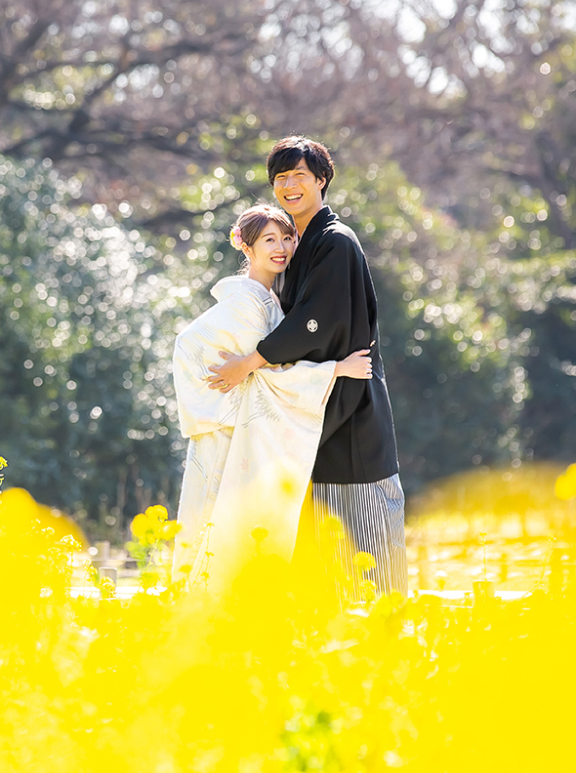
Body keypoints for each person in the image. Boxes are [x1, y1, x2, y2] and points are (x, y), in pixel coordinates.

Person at [207, 137, 407, 601]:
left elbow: (313, 324)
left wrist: (250, 362)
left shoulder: (333, 242)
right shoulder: (299, 245)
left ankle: (389, 646)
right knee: (326, 557)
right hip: (319, 406)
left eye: (300, 175)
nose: (290, 186)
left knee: (367, 540)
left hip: (349, 411)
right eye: (281, 178)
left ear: (322, 180)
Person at [172, 204, 372, 589]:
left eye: (286, 237)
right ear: (245, 247)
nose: (280, 247)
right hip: (226, 434)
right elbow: (268, 374)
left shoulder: (266, 299)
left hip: (235, 430)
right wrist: (336, 369)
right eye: (268, 239)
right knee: (216, 528)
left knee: (222, 530)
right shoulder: (247, 304)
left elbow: (263, 371)